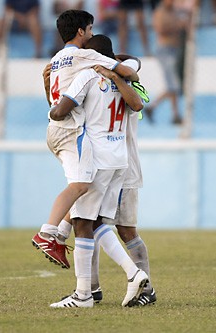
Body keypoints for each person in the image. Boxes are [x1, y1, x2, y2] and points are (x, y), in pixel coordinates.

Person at [32, 9, 139, 269]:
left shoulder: (56, 59)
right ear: (81, 31)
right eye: (90, 29)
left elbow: (53, 100)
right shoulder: (85, 57)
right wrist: (111, 63)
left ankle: (59, 235)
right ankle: (48, 233)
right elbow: (131, 72)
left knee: (86, 188)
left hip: (54, 129)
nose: (90, 34)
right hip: (71, 130)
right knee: (82, 187)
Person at [46, 35, 148, 308]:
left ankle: (115, 282)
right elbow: (138, 104)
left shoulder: (87, 77)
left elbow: (61, 112)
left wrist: (51, 96)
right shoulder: (126, 80)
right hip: (120, 159)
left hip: (97, 159)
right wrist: (117, 76)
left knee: (89, 223)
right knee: (97, 223)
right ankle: (91, 289)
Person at [144, 0, 189, 125]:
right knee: (173, 83)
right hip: (165, 50)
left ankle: (169, 112)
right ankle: (162, 110)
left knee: (172, 84)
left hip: (174, 50)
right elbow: (160, 29)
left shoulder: (175, 11)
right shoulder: (160, 12)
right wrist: (177, 27)